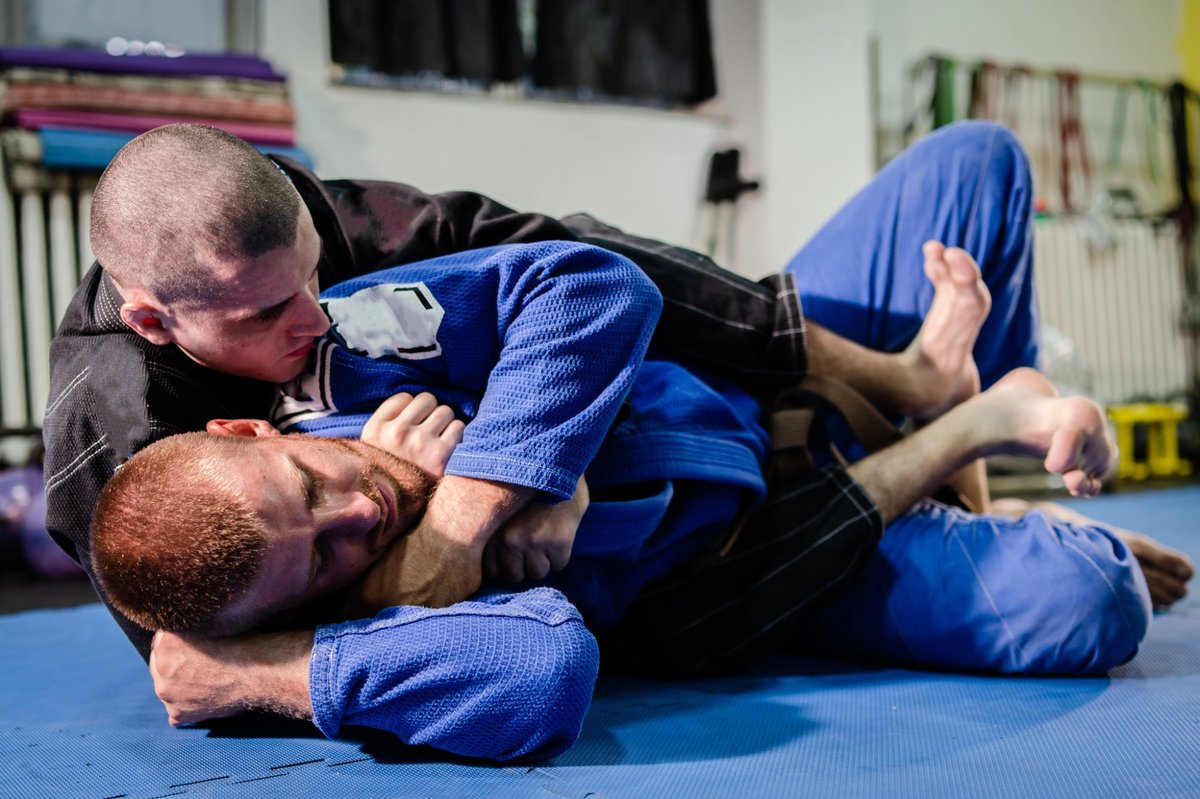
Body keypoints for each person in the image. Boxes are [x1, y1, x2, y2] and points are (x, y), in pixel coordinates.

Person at [49, 122, 1191, 749]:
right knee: (1088, 603)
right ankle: (960, 438)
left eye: (311, 279)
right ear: (161, 325)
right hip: (754, 550)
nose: (309, 326)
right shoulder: (132, 442)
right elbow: (194, 651)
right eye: (263, 318)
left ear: (258, 430)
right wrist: (330, 645)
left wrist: (488, 482)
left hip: (736, 407)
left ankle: (940, 408)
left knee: (977, 163)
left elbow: (594, 276)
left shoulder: (350, 339)